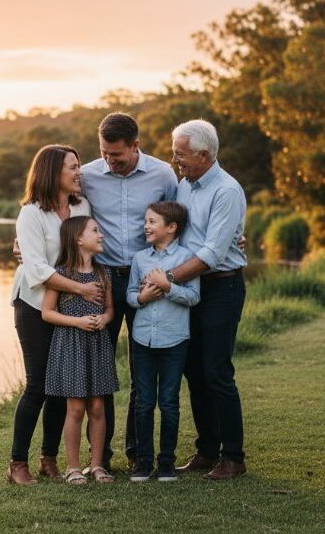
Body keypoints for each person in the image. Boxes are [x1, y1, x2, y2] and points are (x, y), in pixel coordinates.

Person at [79, 112, 178, 471]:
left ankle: (139, 454)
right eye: (104, 153)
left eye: (116, 154)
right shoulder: (87, 175)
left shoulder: (163, 175)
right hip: (101, 280)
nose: (109, 160)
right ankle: (99, 458)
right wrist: (24, 239)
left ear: (135, 145)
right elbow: (55, 203)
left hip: (146, 280)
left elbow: (179, 221)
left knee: (143, 368)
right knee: (99, 370)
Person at [159, 119, 248, 480]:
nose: (175, 159)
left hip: (221, 288)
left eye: (181, 154)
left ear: (204, 154)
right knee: (194, 372)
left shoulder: (227, 190)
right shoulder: (184, 185)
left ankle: (234, 458)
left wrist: (165, 279)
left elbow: (211, 252)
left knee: (216, 372)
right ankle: (207, 451)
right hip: (193, 289)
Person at [7, 144, 99, 485]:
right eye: (72, 167)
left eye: (78, 166)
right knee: (38, 386)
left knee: (61, 385)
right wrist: (80, 289)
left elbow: (85, 248)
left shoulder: (81, 205)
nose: (79, 172)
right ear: (52, 173)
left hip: (67, 307)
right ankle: (17, 463)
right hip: (32, 304)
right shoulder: (30, 214)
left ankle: (49, 458)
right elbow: (38, 268)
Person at [125, 201, 199, 482]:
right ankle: (143, 462)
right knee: (144, 402)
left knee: (168, 402)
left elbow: (194, 297)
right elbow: (131, 295)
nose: (146, 226)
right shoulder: (140, 259)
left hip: (174, 340)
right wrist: (141, 298)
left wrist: (168, 287)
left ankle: (166, 462)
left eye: (152, 221)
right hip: (143, 339)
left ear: (171, 227)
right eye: (146, 221)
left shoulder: (186, 258)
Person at [42, 216, 117, 485]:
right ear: (78, 238)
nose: (101, 235)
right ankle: (72, 467)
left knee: (97, 407)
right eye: (95, 230)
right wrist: (78, 322)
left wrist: (105, 320)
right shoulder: (60, 274)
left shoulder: (103, 273)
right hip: (70, 344)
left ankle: (97, 466)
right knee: (75, 408)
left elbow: (110, 310)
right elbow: (47, 313)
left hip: (97, 344)